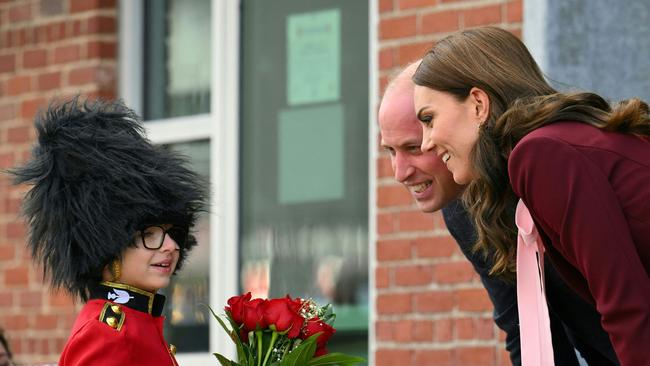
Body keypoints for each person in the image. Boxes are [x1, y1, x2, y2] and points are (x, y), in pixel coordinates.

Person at [412, 26, 649, 366]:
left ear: (478, 104)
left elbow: (627, 306)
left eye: (429, 119)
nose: (426, 143)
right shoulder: (546, 152)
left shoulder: (540, 155)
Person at [381, 61, 619, 365]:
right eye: (390, 150)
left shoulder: (551, 169)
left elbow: (626, 299)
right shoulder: (461, 208)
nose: (399, 173)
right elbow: (525, 328)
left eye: (413, 148)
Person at [10, 98, 207, 365]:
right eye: (149, 235)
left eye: (173, 233)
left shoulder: (136, 323)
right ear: (108, 245)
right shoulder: (108, 334)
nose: (171, 245)